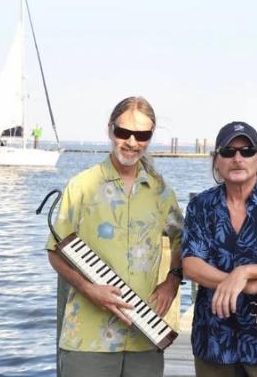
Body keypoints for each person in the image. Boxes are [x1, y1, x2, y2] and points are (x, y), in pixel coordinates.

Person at [45, 96, 184, 377]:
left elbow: (182, 240)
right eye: (124, 132)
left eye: (142, 135)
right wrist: (89, 290)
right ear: (110, 130)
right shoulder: (81, 186)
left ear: (150, 137)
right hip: (87, 337)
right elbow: (55, 252)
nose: (132, 142)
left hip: (144, 335)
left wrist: (172, 281)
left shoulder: (161, 193)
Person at [182, 121, 257, 377]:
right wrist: (249, 285)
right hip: (214, 338)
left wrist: (244, 272)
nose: (237, 158)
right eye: (228, 152)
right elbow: (192, 264)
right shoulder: (200, 206)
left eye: (247, 151)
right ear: (216, 160)